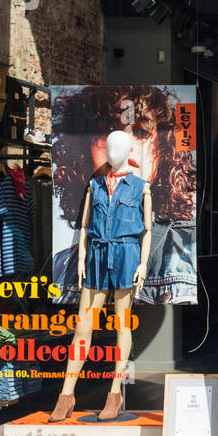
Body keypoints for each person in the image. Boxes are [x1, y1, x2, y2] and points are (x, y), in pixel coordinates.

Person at [51, 85, 198, 305]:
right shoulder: (62, 263)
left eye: (140, 132)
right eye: (107, 132)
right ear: (83, 151)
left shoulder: (187, 252)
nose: (125, 147)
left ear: (163, 148)